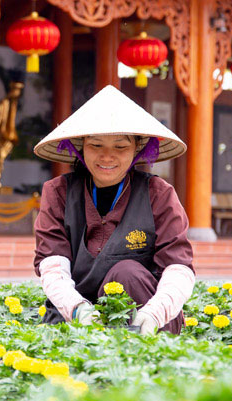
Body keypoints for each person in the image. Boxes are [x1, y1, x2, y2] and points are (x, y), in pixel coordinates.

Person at [33, 85, 194, 335]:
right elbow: (52, 265)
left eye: (120, 147)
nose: (107, 157)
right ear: (80, 146)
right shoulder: (57, 193)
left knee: (126, 272)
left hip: (145, 313)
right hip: (74, 313)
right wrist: (78, 309)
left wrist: (155, 313)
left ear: (138, 147)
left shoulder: (159, 195)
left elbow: (179, 268)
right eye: (96, 145)